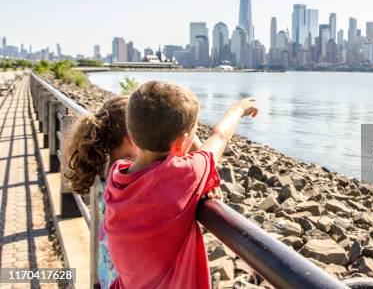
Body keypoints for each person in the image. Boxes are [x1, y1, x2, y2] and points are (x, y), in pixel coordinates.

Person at [104, 81, 257, 289]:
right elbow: (219, 137)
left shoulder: (117, 175)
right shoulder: (184, 175)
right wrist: (238, 109)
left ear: (132, 135)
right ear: (180, 143)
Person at [65, 96, 137, 289]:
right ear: (132, 137)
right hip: (124, 278)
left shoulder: (108, 166)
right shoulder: (130, 174)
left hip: (109, 273)